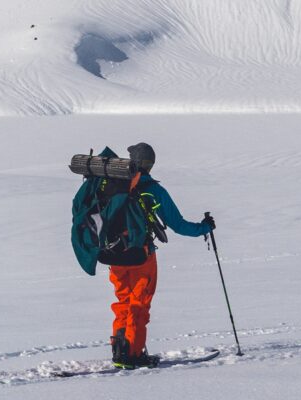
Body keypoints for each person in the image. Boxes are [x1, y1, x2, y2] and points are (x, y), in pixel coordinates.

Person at [70, 144, 213, 368]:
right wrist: (204, 228)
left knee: (123, 301)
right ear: (151, 164)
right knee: (139, 304)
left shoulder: (110, 185)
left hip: (112, 254)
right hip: (141, 256)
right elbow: (178, 225)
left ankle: (120, 349)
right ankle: (133, 354)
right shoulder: (152, 190)